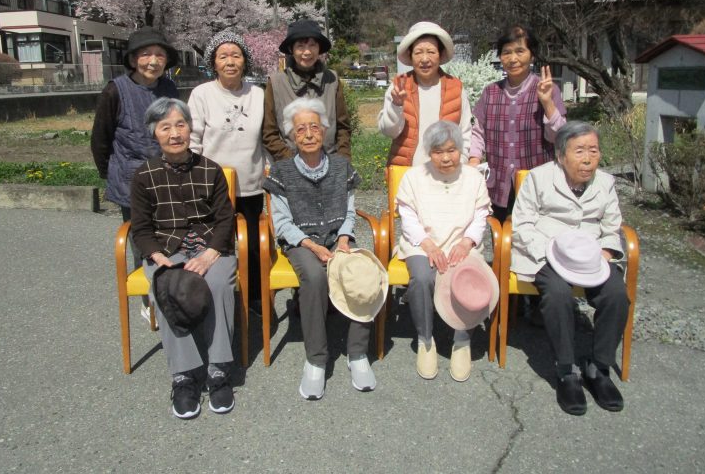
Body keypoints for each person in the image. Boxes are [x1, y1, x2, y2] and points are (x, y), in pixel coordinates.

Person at [511, 121, 629, 416]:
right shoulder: (538, 178)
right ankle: (567, 371)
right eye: (580, 151)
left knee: (616, 294)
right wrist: (550, 254)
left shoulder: (605, 183)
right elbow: (522, 225)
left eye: (593, 150)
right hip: (547, 252)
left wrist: (605, 252)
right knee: (557, 295)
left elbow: (612, 226)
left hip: (591, 255)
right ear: (561, 155)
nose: (588, 159)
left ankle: (598, 367)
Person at [130, 97, 238, 419]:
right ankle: (184, 376)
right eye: (165, 127)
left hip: (210, 245)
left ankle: (218, 369)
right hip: (167, 248)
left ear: (190, 128)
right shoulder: (144, 175)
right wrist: (156, 255)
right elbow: (140, 227)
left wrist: (211, 253)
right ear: (155, 133)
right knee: (169, 287)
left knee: (218, 284)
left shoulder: (210, 170)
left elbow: (225, 219)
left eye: (180, 125)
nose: (175, 133)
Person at [262, 97, 374, 400]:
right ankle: (316, 359)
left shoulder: (341, 166)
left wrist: (343, 240)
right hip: (300, 241)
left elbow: (349, 211)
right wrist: (311, 245)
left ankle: (357, 353)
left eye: (314, 127)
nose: (309, 134)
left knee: (363, 271)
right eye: (301, 129)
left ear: (324, 130)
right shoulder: (281, 171)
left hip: (338, 237)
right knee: (314, 277)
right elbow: (281, 222)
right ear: (292, 136)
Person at [91, 27, 179, 323]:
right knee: (142, 241)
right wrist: (111, 174)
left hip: (167, 175)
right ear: (132, 59)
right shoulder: (115, 90)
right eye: (146, 54)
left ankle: (169, 290)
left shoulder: (169, 88)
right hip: (131, 180)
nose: (153, 61)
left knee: (170, 237)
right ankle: (148, 300)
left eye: (159, 55)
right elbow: (100, 139)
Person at [395, 120, 495, 382]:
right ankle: (425, 338)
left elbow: (480, 215)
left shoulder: (473, 178)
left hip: (462, 243)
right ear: (429, 153)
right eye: (438, 152)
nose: (446, 157)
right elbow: (407, 216)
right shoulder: (414, 177)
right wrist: (427, 244)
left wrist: (467, 242)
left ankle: (462, 338)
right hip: (422, 243)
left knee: (467, 278)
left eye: (451, 150)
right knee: (422, 277)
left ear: (460, 149)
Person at [188, 31, 265, 315]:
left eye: (236, 55)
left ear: (245, 61)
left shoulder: (258, 94)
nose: (230, 62)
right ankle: (212, 296)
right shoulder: (202, 94)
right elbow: (193, 140)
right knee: (213, 243)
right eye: (223, 56)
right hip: (212, 187)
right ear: (213, 62)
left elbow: (267, 138)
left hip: (251, 183)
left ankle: (254, 297)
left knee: (253, 245)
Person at [469, 24, 567, 222]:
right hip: (499, 185)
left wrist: (547, 103)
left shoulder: (548, 89)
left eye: (520, 51)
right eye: (506, 52)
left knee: (534, 236)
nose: (513, 59)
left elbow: (559, 137)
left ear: (532, 56)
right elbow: (478, 132)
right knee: (501, 235)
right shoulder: (490, 92)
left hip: (537, 185)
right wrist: (473, 161)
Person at [379, 21, 471, 166]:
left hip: (446, 172)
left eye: (431, 52)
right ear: (410, 55)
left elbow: (465, 133)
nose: (425, 59)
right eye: (418, 52)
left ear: (440, 55)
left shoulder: (456, 88)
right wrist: (396, 105)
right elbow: (390, 132)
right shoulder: (399, 87)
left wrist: (460, 163)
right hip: (406, 172)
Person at [262, 19, 351, 161]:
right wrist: (293, 163)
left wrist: (342, 161)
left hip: (330, 163)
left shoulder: (332, 80)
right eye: (300, 46)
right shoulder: (276, 83)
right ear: (291, 49)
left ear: (319, 48)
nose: (307, 52)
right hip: (290, 165)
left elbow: (343, 127)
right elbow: (269, 133)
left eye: (312, 45)